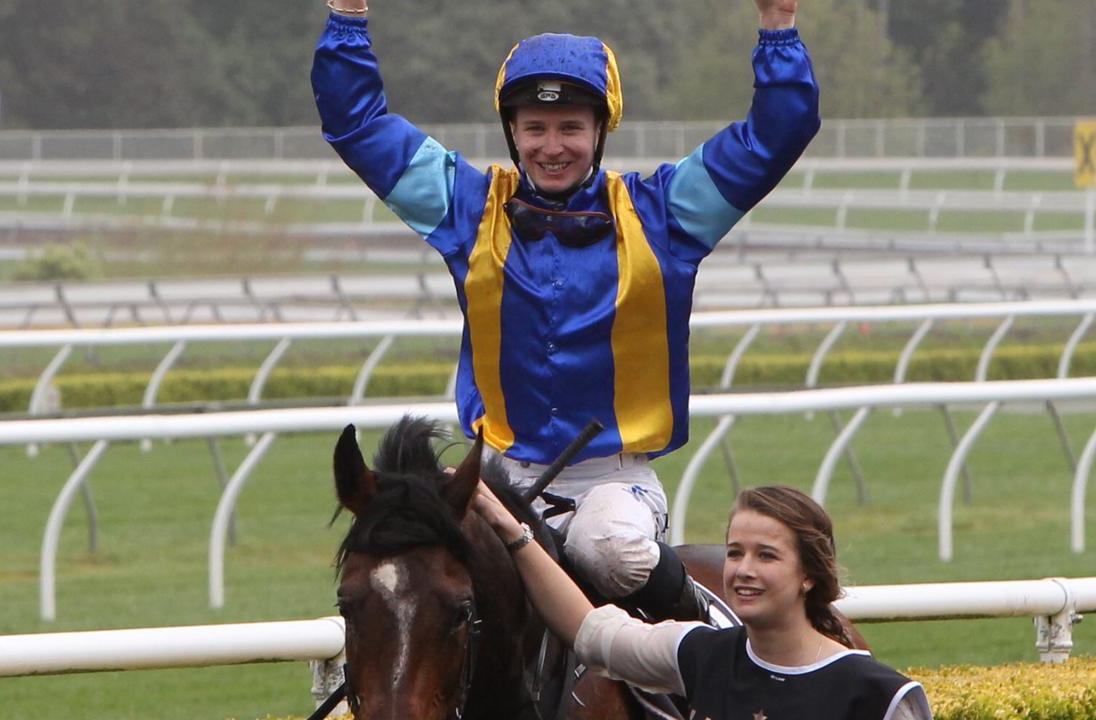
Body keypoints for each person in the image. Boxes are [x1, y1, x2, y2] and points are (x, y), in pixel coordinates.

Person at [312, 0, 819, 620]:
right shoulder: (469, 210)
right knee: (400, 572)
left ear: (600, 131)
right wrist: (347, 18)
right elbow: (357, 125)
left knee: (611, 553)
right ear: (513, 133)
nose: (552, 147)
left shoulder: (667, 215)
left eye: (571, 128)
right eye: (535, 129)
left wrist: (778, 28)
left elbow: (776, 135)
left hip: (613, 482)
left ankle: (715, 645)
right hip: (496, 472)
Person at [472, 483, 934, 719]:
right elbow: (586, 631)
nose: (743, 570)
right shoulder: (699, 653)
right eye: (735, 553)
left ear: (809, 575)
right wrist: (512, 531)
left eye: (766, 556)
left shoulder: (881, 695)